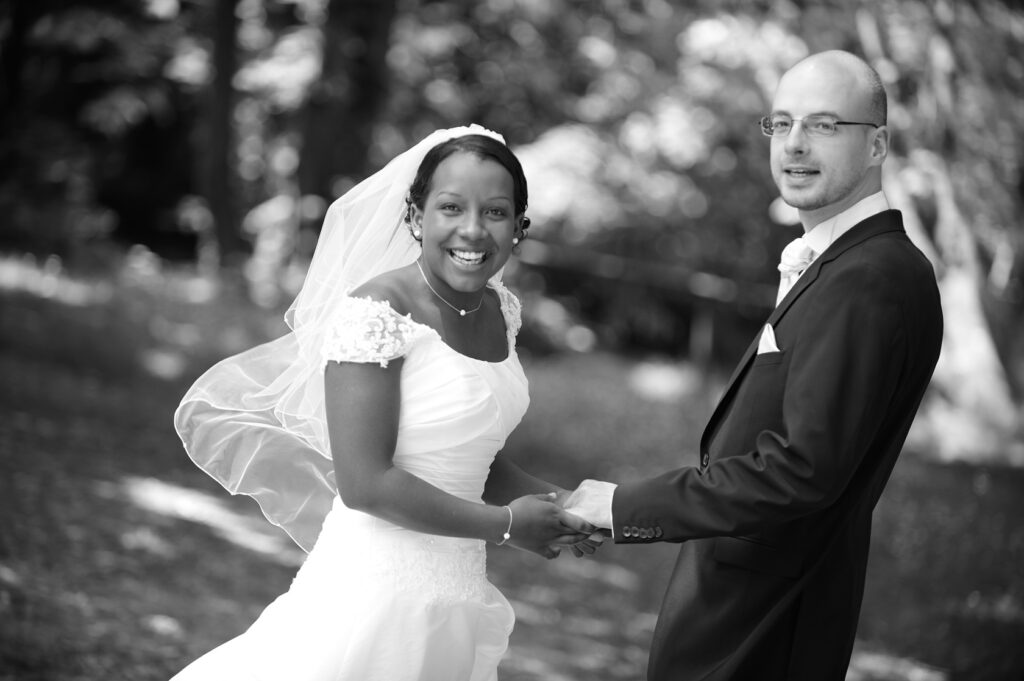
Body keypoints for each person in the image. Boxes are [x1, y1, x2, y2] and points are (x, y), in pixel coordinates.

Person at [565, 50, 944, 680]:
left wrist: (621, 507)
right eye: (781, 123)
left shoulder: (870, 278)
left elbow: (801, 470)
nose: (794, 145)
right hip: (739, 608)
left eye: (824, 125)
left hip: (765, 627)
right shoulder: (843, 263)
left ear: (877, 145)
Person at [171, 126, 597, 681]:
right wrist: (508, 527)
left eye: (495, 212)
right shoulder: (378, 309)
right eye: (451, 207)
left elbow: (473, 459)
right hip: (370, 593)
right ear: (417, 217)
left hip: (455, 595)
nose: (472, 228)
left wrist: (566, 504)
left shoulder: (502, 310)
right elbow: (366, 482)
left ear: (519, 228)